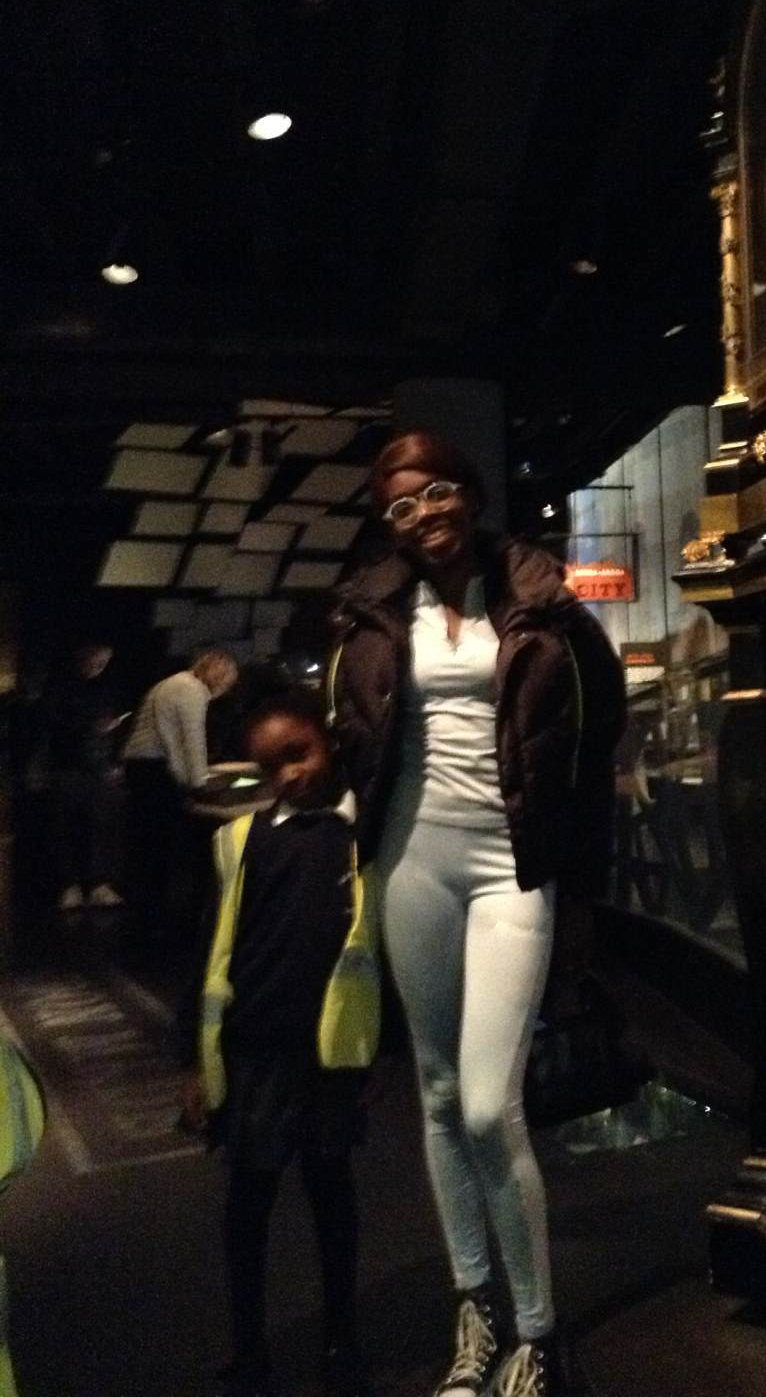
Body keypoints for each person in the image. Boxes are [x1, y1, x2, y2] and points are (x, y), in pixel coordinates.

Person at [328, 430, 626, 1397]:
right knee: (439, 1094)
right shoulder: (373, 614)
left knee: (493, 1105)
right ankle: (476, 1309)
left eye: (438, 492)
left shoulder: (542, 601)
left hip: (512, 863)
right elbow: (360, 736)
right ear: (388, 523)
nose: (425, 515)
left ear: (470, 492)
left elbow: (596, 738)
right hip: (412, 860)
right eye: (402, 505)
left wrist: (583, 881)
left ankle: (536, 1331)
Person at [178, 689, 380, 1397]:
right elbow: (209, 950)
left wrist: (380, 1054)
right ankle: (248, 1348)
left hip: (329, 1055)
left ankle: (342, 1339)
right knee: (248, 1206)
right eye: (272, 767)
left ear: (328, 739)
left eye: (299, 753)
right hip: (255, 1050)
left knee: (332, 1198)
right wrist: (193, 1062)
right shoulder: (242, 842)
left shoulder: (362, 837)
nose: (290, 774)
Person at [122, 648, 239, 954]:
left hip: (140, 765)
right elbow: (191, 738)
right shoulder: (191, 690)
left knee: (147, 846)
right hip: (152, 769)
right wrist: (199, 782)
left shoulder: (174, 682)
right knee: (159, 845)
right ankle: (158, 919)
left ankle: (147, 915)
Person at [36, 641, 125, 910]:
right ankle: (69, 884)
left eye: (103, 664)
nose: (98, 668)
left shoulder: (104, 688)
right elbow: (49, 724)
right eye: (95, 662)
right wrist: (89, 726)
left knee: (98, 826)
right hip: (67, 765)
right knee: (66, 825)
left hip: (97, 765)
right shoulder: (59, 687)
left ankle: (97, 884)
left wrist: (113, 758)